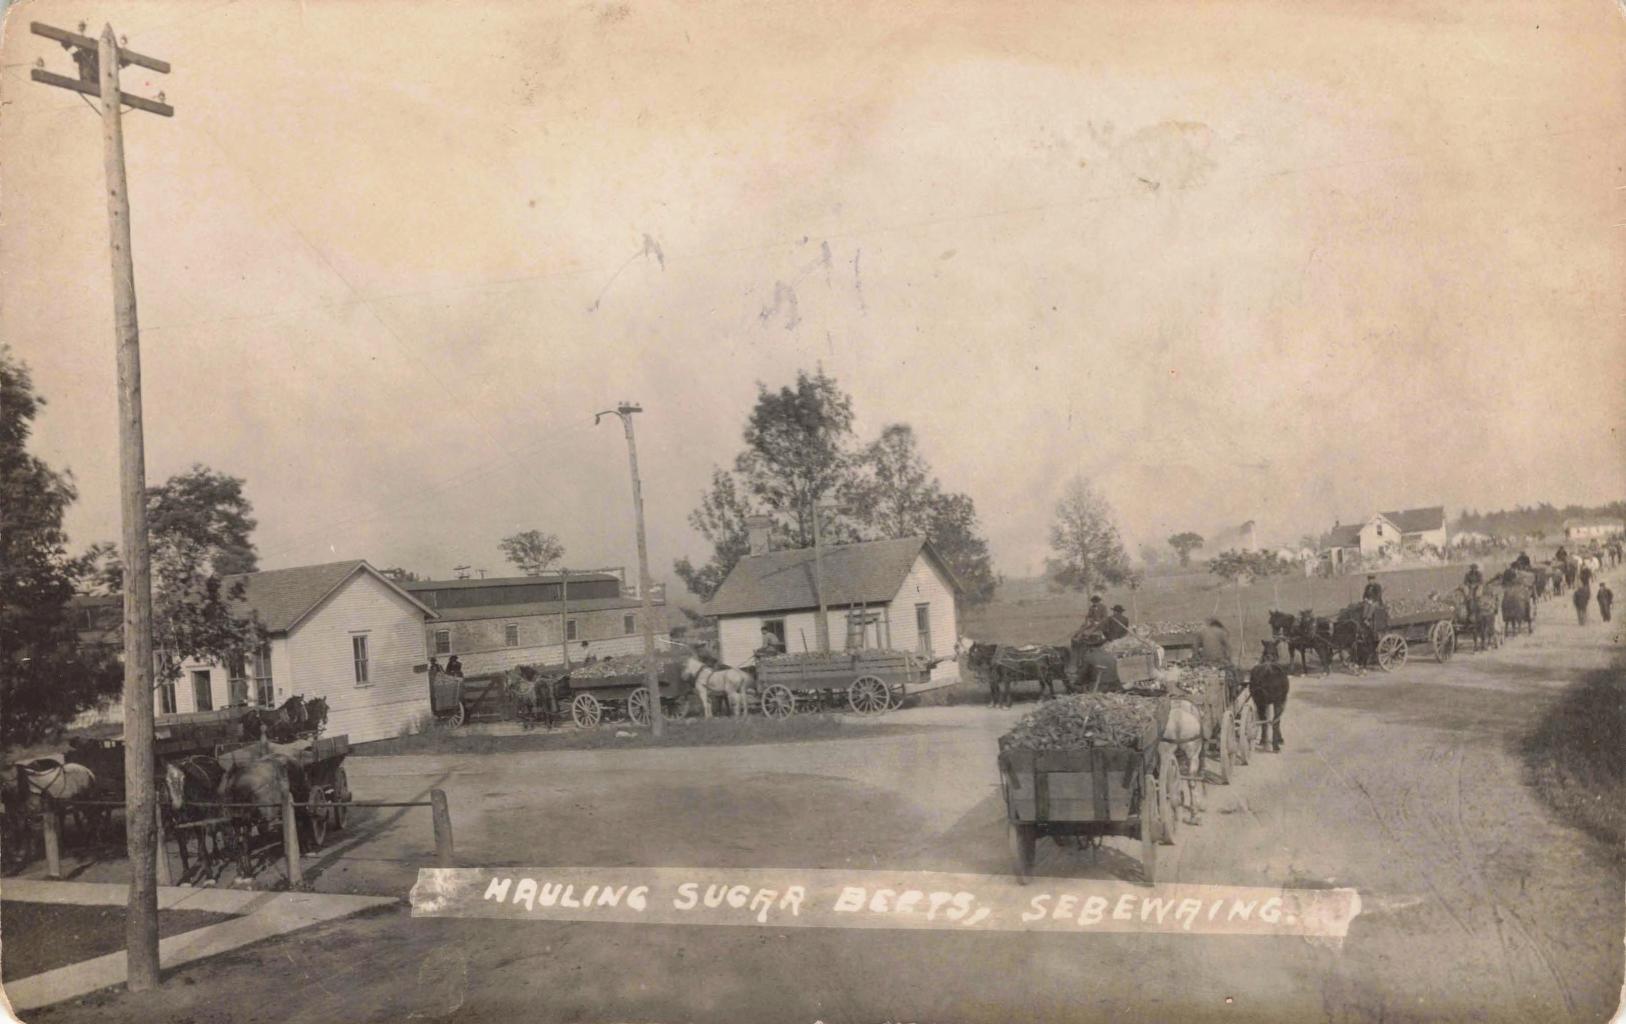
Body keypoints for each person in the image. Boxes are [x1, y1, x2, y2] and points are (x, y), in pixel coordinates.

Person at [1248, 639, 1289, 752]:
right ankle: (1276, 740)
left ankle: (1263, 737)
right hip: (1279, 692)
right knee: (1278, 709)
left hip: (1260, 695)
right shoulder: (1280, 671)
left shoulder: (1257, 670)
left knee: (1262, 710)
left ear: (1264, 654)